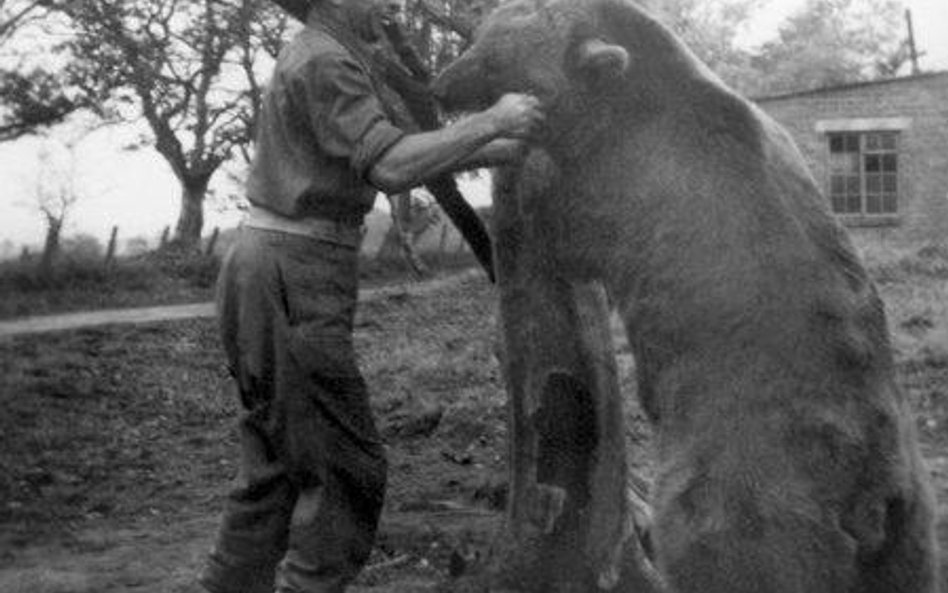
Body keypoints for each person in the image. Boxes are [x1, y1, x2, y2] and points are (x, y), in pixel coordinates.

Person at [197, 0, 544, 591]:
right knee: (344, 469)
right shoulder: (328, 61)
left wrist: (498, 146)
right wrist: (493, 120)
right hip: (293, 270)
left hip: (267, 264)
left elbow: (387, 150)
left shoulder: (324, 52)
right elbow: (389, 165)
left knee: (275, 468)